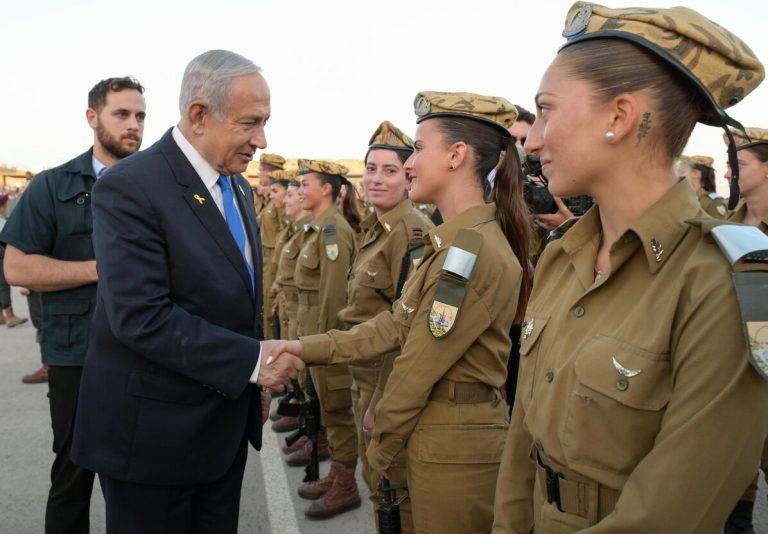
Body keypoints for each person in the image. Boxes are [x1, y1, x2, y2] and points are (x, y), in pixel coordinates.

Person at [491, 4, 768, 532]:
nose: (531, 140)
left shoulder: (721, 283)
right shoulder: (561, 255)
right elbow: (522, 442)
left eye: (546, 111)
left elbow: (667, 514)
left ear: (619, 117)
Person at [69, 50, 304, 534]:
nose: (262, 139)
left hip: (220, 432)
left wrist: (247, 384)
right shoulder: (130, 186)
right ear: (199, 115)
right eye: (250, 123)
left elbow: (238, 295)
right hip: (154, 442)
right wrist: (253, 362)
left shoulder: (235, 188)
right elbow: (141, 317)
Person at [278, 91, 533, 533]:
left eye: (417, 149)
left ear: (456, 156)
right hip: (437, 434)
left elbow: (418, 361)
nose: (409, 164)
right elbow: (396, 322)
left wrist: (381, 446)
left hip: (453, 449)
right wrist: (303, 347)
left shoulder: (471, 249)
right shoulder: (454, 243)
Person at [0, 75, 146, 534]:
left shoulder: (155, 185)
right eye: (121, 114)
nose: (133, 125)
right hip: (76, 355)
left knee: (140, 478)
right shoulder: (52, 185)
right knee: (73, 474)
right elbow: (17, 268)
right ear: (93, 117)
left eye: (140, 115)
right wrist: (94, 269)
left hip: (145, 353)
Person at [337, 120, 434, 532]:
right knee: (376, 483)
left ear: (409, 179)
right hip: (364, 376)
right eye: (370, 169)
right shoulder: (375, 229)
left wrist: (382, 399)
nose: (376, 179)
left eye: (390, 170)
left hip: (385, 380)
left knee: (394, 489)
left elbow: (408, 329)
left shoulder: (411, 233)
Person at [292, 158, 362, 519]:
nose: (300, 190)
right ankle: (337, 474)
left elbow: (334, 297)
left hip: (326, 336)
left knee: (337, 411)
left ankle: (346, 484)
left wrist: (322, 343)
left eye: (306, 184)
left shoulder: (333, 229)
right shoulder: (318, 228)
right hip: (314, 332)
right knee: (328, 410)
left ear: (327, 190)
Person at [723, 127, 768, 534]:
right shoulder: (722, 226)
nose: (729, 173)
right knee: (733, 499)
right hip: (735, 376)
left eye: (741, 163)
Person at [258, 152, 287, 340]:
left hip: (274, 260)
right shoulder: (270, 200)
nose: (259, 173)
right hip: (266, 259)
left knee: (270, 309)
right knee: (266, 307)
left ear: (269, 172)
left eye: (261, 170)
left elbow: (284, 233)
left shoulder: (278, 203)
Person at [0, 193, 28, 327]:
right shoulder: (2, 222)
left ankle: (1, 316)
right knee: (3, 285)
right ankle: (10, 315)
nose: (7, 207)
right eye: (5, 205)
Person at [680, 154, 728, 219]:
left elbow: (718, 228)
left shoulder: (713, 203)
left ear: (695, 173)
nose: (679, 175)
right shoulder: (686, 199)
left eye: (682, 172)